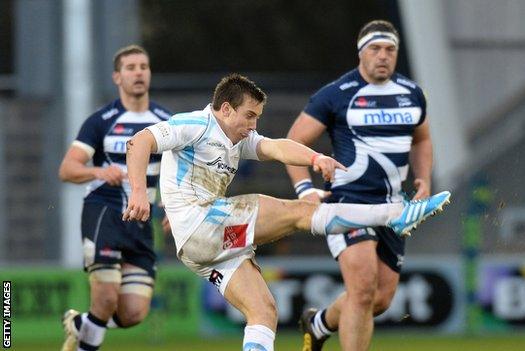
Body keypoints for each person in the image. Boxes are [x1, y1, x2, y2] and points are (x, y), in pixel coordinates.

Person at [122, 73, 450, 351]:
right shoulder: (196, 124)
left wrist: (315, 159)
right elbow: (139, 141)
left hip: (204, 242)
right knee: (300, 212)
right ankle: (394, 214)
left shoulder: (238, 139)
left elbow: (277, 146)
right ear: (225, 109)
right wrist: (139, 192)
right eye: (250, 115)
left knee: (264, 312)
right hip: (202, 225)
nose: (253, 125)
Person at [285, 20, 436, 351]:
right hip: (348, 204)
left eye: (390, 50)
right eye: (375, 49)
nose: (383, 56)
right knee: (364, 287)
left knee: (379, 299)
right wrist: (305, 191)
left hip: (393, 210)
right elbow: (294, 141)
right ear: (361, 53)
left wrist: (423, 175)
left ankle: (319, 323)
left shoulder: (412, 94)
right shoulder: (336, 94)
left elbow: (422, 139)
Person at [58, 45, 171, 351]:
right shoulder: (101, 120)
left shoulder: (165, 121)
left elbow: (177, 173)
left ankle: (81, 324)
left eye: (143, 67)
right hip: (104, 212)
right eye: (131, 67)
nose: (138, 72)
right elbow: (67, 169)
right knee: (106, 298)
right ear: (117, 77)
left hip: (141, 221)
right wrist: (97, 172)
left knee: (133, 312)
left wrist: (172, 208)